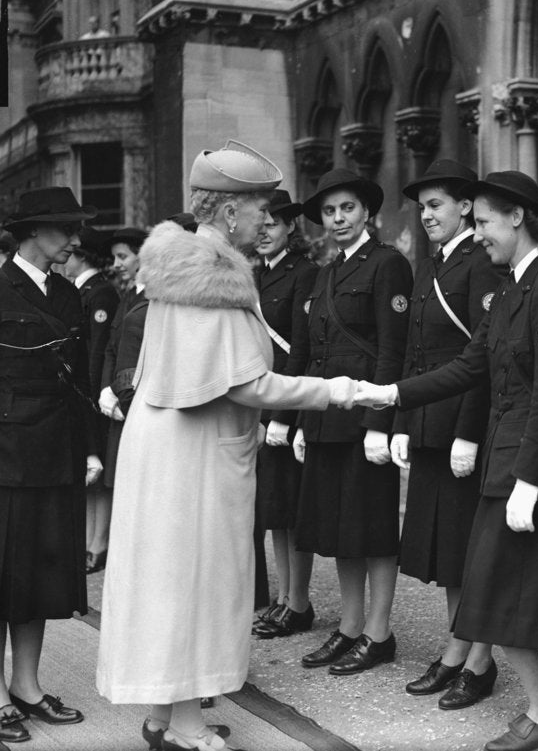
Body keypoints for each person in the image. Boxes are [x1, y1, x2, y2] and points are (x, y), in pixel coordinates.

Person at [95, 141, 358, 751]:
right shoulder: (209, 278)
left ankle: (165, 713)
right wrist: (344, 391)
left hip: (178, 446)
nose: (269, 219)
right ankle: (186, 723)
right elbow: (248, 383)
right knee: (193, 583)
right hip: (192, 454)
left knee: (171, 581)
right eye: (261, 207)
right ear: (230, 211)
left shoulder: (189, 268)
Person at [354, 171, 538, 751]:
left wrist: (534, 476)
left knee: (492, 592)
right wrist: (393, 396)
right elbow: (471, 365)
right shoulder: (513, 283)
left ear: (517, 218)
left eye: (486, 222)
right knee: (506, 589)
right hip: (502, 453)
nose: (480, 233)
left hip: (522, 461)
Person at [291, 168, 413, 676]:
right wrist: (302, 420)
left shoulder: (387, 265)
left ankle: (379, 633)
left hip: (365, 419)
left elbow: (392, 349)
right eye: (329, 211)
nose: (338, 219)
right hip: (327, 421)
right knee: (341, 530)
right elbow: (314, 353)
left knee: (374, 527)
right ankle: (349, 627)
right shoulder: (326, 271)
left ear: (367, 212)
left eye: (347, 209)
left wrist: (380, 423)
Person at [394, 159, 503, 709]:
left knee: (467, 549)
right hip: (431, 425)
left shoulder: (479, 263)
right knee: (448, 552)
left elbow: (480, 356)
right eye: (423, 206)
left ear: (465, 207)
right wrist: (402, 423)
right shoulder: (433, 263)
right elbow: (416, 354)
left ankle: (478, 659)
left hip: (464, 427)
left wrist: (467, 432)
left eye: (436, 204)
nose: (427, 214)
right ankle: (457, 648)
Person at [0, 186, 104, 745]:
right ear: (34, 232)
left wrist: (89, 448)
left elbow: (80, 381)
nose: (73, 240)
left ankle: (27, 685)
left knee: (37, 575)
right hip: (8, 456)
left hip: (57, 451)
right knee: (2, 575)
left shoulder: (66, 294)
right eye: (64, 229)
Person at [250, 190, 320, 640]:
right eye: (259, 224)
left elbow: (301, 349)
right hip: (258, 402)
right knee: (273, 507)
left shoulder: (305, 273)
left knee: (293, 508)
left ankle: (299, 601)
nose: (263, 232)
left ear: (291, 227)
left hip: (285, 405)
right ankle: (281, 597)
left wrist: (282, 414)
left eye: (272, 223)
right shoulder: (254, 275)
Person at [63, 226, 120, 574]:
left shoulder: (100, 293)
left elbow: (96, 351)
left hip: (92, 394)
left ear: (83, 256)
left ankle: (98, 544)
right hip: (81, 391)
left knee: (97, 473)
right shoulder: (82, 290)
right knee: (88, 474)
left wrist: (92, 394)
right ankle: (87, 541)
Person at [96, 227, 150, 573]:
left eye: (124, 256)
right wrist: (107, 389)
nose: (118, 264)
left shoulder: (158, 297)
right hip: (119, 402)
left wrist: (122, 392)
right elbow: (112, 349)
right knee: (122, 486)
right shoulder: (129, 294)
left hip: (138, 402)